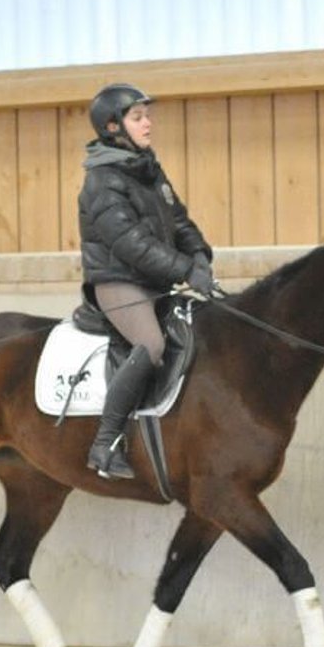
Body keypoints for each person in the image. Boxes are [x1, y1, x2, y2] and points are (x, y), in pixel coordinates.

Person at [78, 82, 218, 480]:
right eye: (137, 117)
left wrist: (200, 256)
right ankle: (105, 443)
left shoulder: (149, 170)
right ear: (112, 128)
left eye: (147, 115)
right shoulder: (102, 182)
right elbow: (131, 244)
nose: (147, 123)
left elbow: (179, 221)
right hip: (119, 282)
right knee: (152, 344)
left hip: (157, 280)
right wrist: (185, 271)